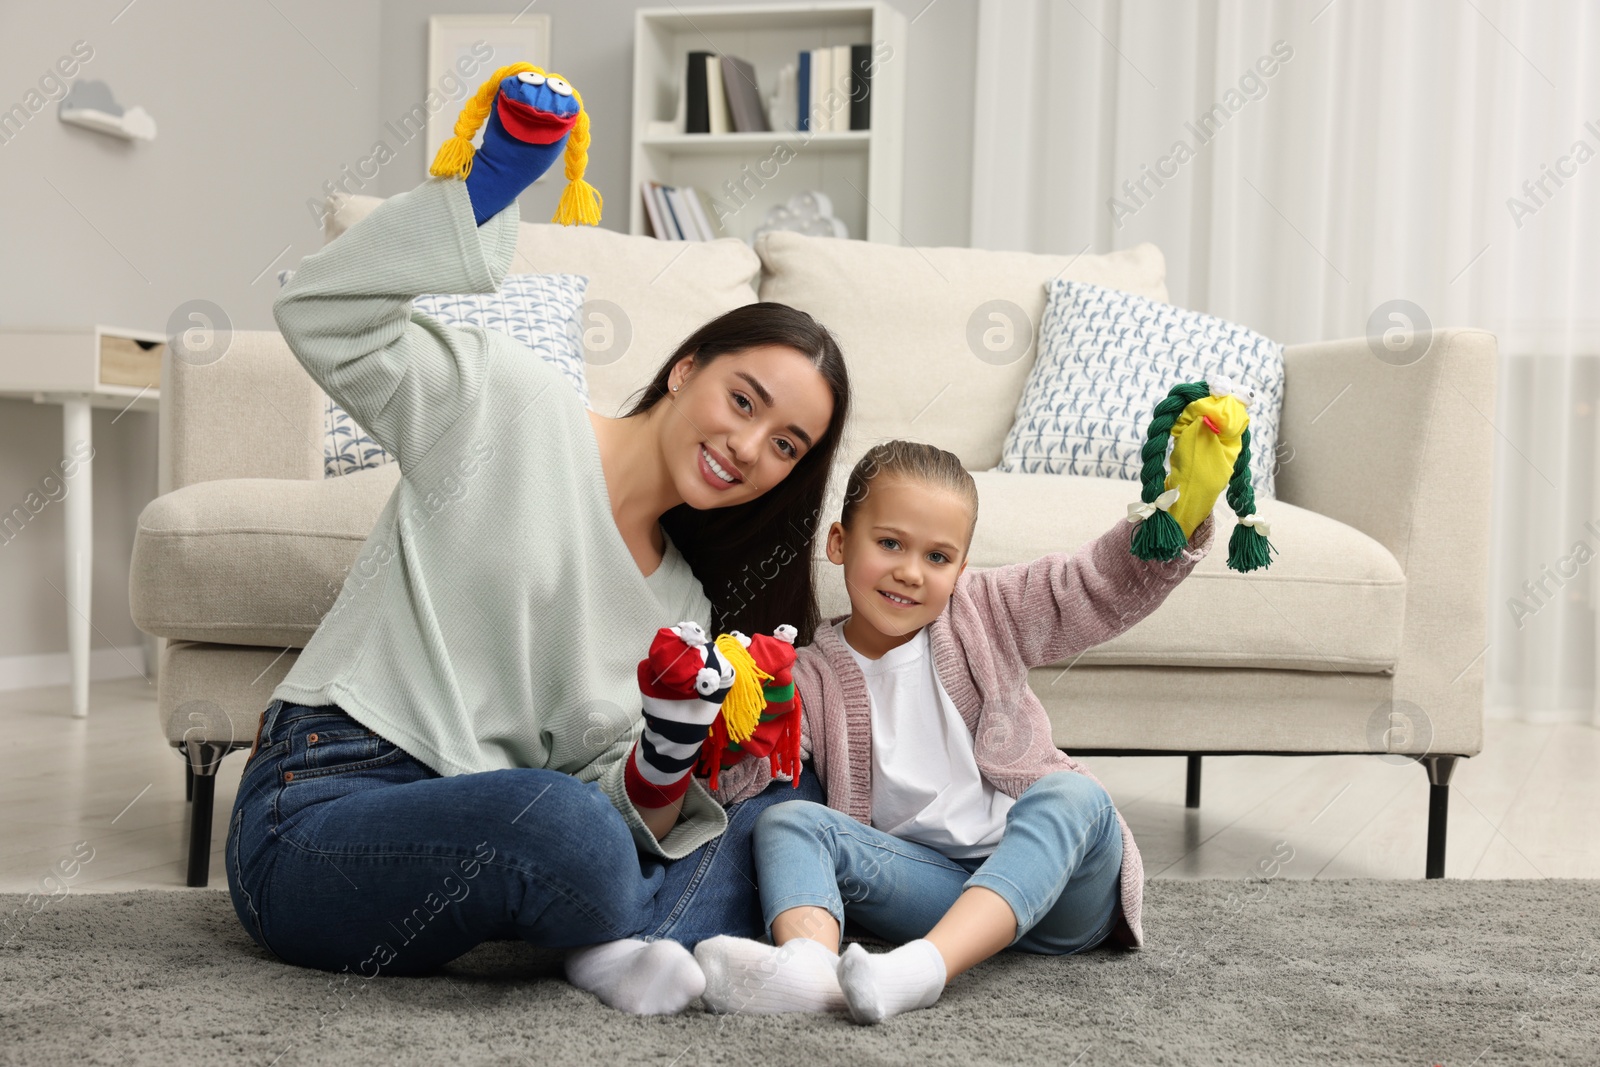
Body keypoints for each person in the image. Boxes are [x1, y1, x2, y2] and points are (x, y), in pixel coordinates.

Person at [224, 62, 852, 1017]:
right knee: (566, 830)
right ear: (685, 369)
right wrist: (484, 192)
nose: (748, 447)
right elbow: (322, 313)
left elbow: (617, 798)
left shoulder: (684, 606)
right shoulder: (508, 404)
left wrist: (670, 760)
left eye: (785, 446)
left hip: (496, 833)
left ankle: (625, 940)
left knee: (769, 801)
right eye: (742, 400)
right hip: (322, 807)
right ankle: (637, 933)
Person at [691, 439, 1224, 1023]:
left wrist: (1179, 513)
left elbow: (1089, 583)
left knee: (1075, 796)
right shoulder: (811, 675)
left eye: (938, 558)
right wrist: (725, 710)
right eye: (889, 543)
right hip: (940, 895)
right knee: (788, 821)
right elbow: (749, 777)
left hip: (1068, 897)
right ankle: (811, 976)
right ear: (840, 542)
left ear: (961, 570)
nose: (910, 572)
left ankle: (924, 971)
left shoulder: (985, 610)